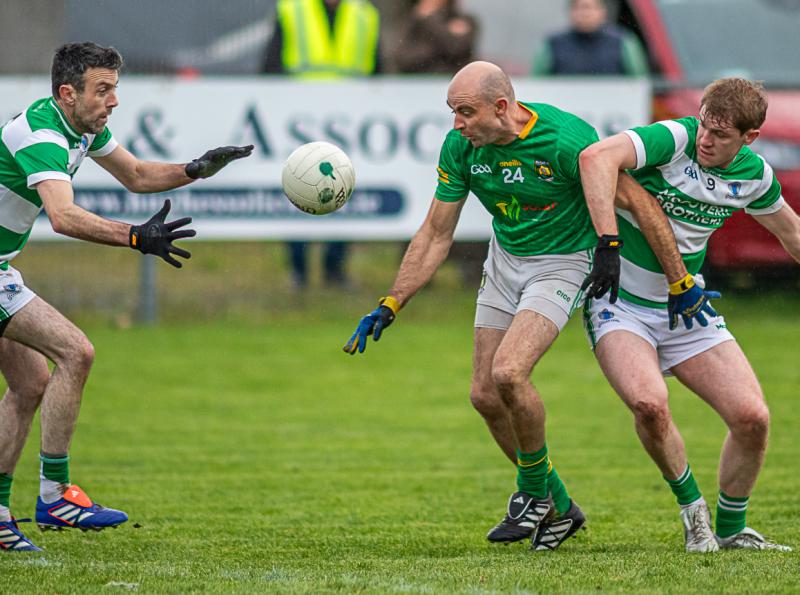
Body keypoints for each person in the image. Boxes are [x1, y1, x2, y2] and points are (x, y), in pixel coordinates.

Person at [342, 61, 697, 551]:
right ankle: (560, 506)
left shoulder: (565, 141)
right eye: (452, 112)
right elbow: (435, 232)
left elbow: (635, 200)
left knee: (510, 372)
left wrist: (677, 278)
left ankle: (530, 493)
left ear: (502, 107)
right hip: (505, 263)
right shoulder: (462, 148)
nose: (457, 125)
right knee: (485, 396)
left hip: (562, 264)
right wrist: (391, 301)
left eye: (465, 112)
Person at [0, 42, 252, 552]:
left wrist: (196, 168)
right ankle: (54, 494)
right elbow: (63, 216)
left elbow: (135, 175)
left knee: (29, 383)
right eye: (104, 90)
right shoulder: (42, 133)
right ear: (67, 93)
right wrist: (135, 237)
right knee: (76, 351)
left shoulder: (78, 125)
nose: (113, 100)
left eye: (115, 88)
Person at [579, 77, 796, 552]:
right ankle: (693, 514)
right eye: (703, 125)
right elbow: (596, 157)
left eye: (720, 134)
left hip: (687, 308)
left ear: (749, 138)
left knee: (753, 418)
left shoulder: (755, 175)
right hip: (621, 305)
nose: (705, 139)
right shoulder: (674, 139)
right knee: (650, 405)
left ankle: (732, 528)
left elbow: (792, 235)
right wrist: (608, 240)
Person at [263, 0, 382, 289]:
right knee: (298, 188)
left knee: (344, 192)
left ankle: (335, 269)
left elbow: (379, 72)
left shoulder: (365, 14)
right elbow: (269, 68)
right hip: (298, 123)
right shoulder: (292, 9)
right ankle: (299, 271)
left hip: (351, 123)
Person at [532, 0, 648, 77]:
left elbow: (639, 82)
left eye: (590, 7)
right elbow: (538, 83)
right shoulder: (552, 43)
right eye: (578, 8)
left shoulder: (624, 42)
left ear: (603, 12)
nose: (584, 13)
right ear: (570, 12)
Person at [394, 0, 477, 75]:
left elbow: (457, 49)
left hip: (450, 80)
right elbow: (403, 58)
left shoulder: (464, 19)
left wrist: (429, 17)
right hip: (418, 82)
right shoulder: (415, 22)